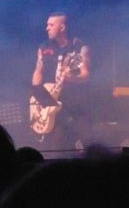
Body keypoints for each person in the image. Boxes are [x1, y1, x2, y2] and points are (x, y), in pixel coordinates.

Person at [30, 11, 91, 150]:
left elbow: (86, 74)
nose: (47, 28)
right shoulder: (44, 46)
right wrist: (37, 96)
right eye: (47, 25)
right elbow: (38, 71)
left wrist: (71, 78)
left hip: (73, 103)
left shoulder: (79, 47)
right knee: (54, 144)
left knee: (80, 141)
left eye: (51, 25)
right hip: (49, 101)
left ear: (62, 27)